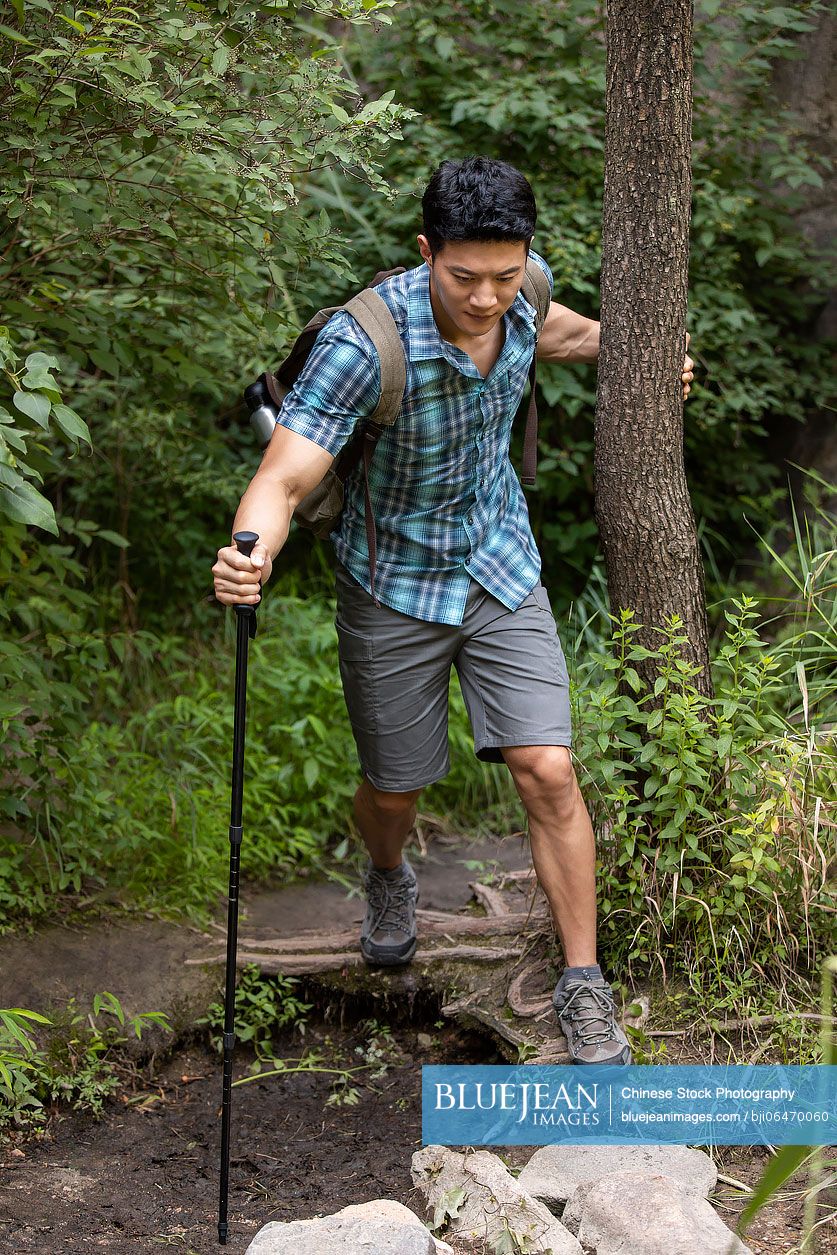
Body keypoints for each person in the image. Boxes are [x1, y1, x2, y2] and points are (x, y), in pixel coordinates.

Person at [212, 156, 695, 1066]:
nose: (485, 299)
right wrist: (252, 555)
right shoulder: (366, 345)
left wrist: (627, 352)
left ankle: (582, 985)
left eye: (503, 277)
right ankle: (388, 878)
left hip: (498, 562)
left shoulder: (522, 291)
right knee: (395, 784)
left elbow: (544, 328)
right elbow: (282, 475)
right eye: (463, 277)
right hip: (390, 578)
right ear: (425, 250)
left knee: (547, 766)